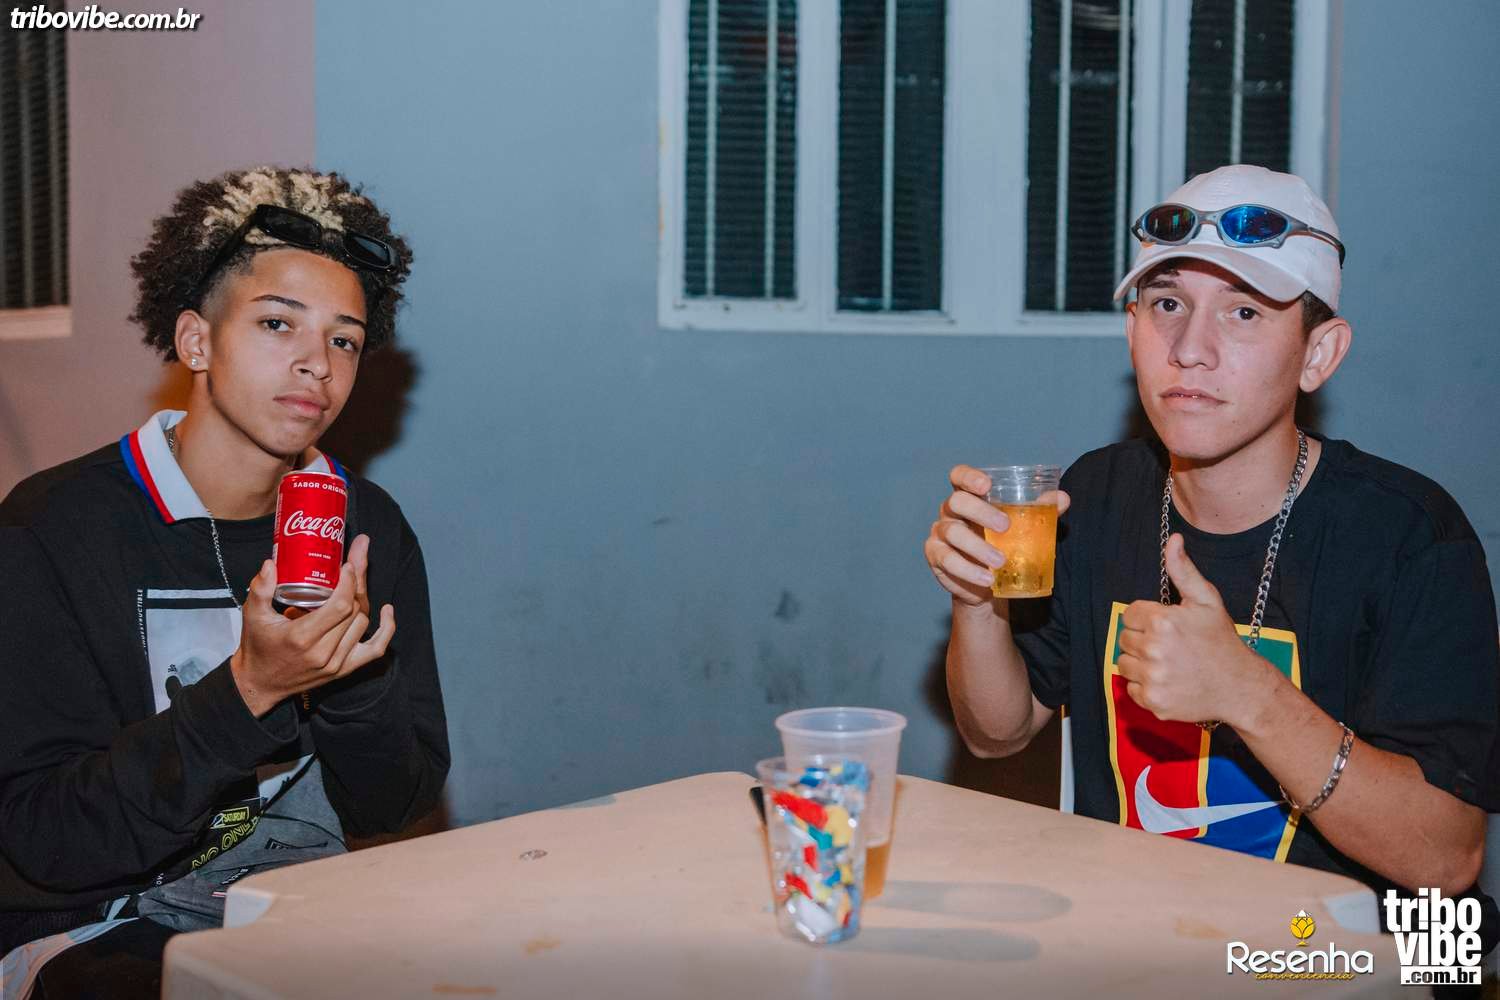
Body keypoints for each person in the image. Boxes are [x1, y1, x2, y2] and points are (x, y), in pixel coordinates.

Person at [923, 165, 1498, 975]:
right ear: (1131, 329)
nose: (1190, 350)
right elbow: (997, 733)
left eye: (1244, 312)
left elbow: (1446, 860)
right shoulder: (1096, 494)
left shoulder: (1409, 536)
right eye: (1167, 305)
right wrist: (976, 599)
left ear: (1318, 354)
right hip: (1140, 953)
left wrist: (1248, 693)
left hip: (1341, 966)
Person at [0, 167, 450, 998]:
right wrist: (251, 690)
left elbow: (395, 804)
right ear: (196, 342)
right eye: (279, 323)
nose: (316, 364)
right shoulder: (54, 528)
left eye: (345, 340)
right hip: (94, 923)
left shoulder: (367, 526)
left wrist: (348, 681)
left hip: (308, 908)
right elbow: (45, 839)